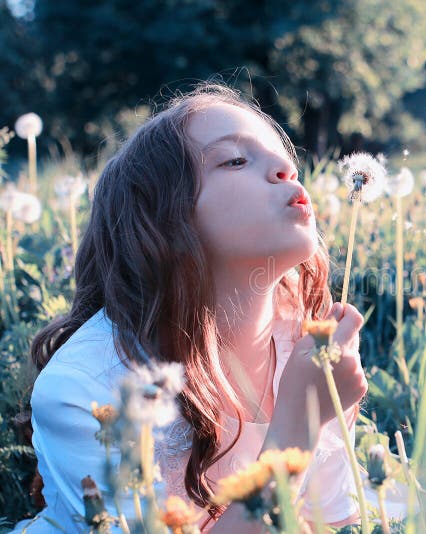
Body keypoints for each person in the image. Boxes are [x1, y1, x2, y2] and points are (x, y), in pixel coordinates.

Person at [11, 83, 404, 533]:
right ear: (160, 220)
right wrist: (299, 421)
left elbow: (329, 518)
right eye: (235, 160)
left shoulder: (300, 337)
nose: (284, 168)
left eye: (286, 160)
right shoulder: (85, 388)